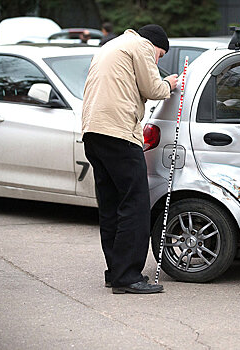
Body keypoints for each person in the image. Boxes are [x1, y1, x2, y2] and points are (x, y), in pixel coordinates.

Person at [82, 25, 178, 294]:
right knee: (135, 204)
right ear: (157, 46)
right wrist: (170, 83)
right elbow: (154, 88)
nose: (157, 60)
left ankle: (115, 272)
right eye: (160, 56)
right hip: (119, 133)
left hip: (93, 131)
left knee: (112, 205)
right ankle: (128, 277)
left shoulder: (111, 46)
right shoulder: (143, 46)